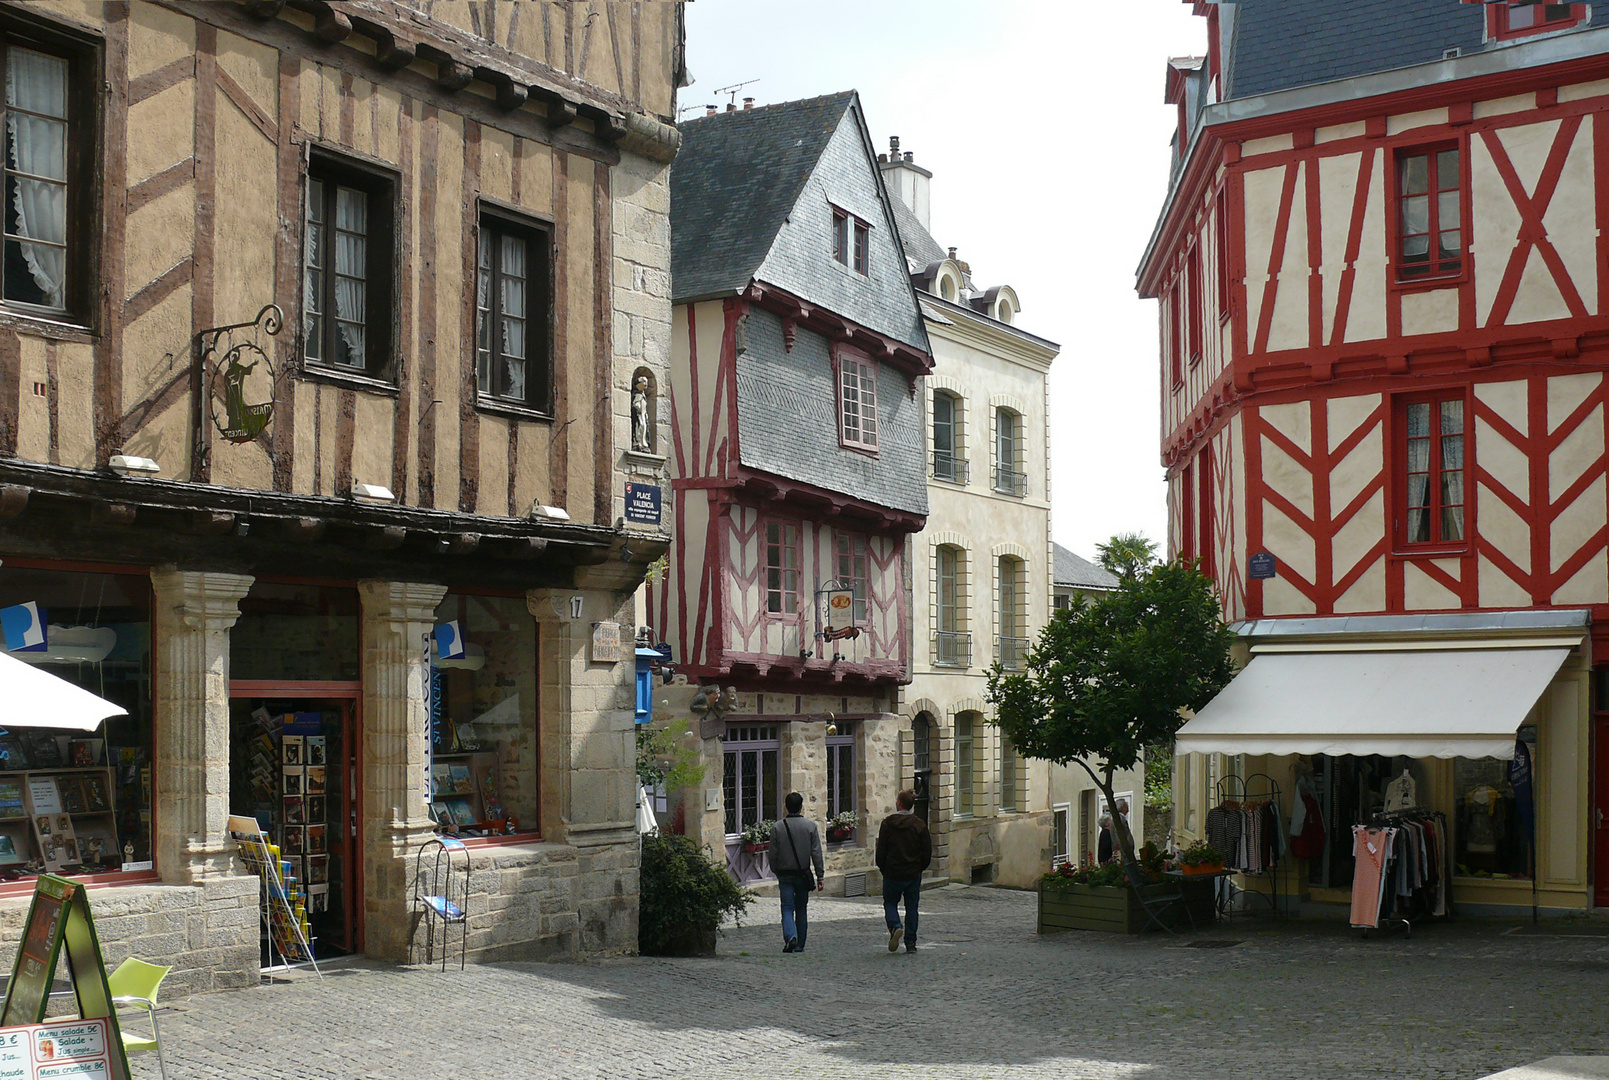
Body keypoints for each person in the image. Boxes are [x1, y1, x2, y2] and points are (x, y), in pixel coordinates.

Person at [875, 788, 932, 954]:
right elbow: (926, 852)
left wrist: (883, 867)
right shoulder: (920, 825)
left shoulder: (887, 824)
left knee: (890, 903)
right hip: (912, 873)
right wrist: (919, 867)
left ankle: (895, 926)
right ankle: (911, 943)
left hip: (892, 872)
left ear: (899, 803)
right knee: (912, 908)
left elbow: (881, 850)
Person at [770, 791, 824, 953]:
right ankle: (800, 943)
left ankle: (790, 936)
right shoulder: (810, 827)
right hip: (802, 873)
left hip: (785, 874)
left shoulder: (777, 827)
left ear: (786, 807)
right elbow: (816, 853)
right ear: (801, 807)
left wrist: (775, 870)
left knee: (787, 908)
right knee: (801, 908)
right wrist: (820, 875)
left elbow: (773, 854)